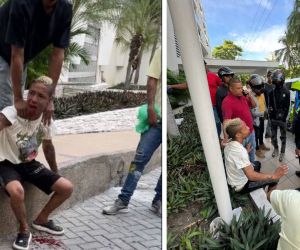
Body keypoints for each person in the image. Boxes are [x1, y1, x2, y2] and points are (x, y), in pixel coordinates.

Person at [0, 76, 73, 250]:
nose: (33, 99)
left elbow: (48, 147)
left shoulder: (46, 120)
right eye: (31, 93)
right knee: (16, 191)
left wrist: (55, 172)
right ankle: (24, 230)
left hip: (29, 163)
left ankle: (42, 220)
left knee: (66, 187)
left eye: (40, 96)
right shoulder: (12, 111)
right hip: (5, 162)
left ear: (49, 101)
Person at [103, 49, 162, 216]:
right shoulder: (162, 50)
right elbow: (152, 79)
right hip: (157, 118)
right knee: (139, 159)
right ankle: (123, 200)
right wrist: (150, 107)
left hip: (173, 121)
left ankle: (158, 200)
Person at [0, 0, 73, 124]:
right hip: (4, 52)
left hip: (20, 60)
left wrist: (49, 99)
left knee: (16, 111)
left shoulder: (64, 9)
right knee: (7, 111)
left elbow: (58, 55)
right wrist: (18, 99)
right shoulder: (22, 4)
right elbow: (16, 54)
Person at [224, 118, 288, 194]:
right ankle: (269, 198)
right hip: (241, 186)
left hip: (235, 178)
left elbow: (236, 157)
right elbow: (250, 175)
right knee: (275, 180)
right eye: (245, 127)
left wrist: (246, 151)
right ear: (238, 134)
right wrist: (274, 175)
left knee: (258, 163)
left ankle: (261, 184)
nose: (248, 128)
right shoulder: (240, 151)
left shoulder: (230, 142)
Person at [222, 76, 257, 163]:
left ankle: (252, 166)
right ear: (231, 88)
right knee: (243, 157)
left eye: (241, 87)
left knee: (252, 152)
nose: (241, 90)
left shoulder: (242, 96)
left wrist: (250, 97)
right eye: (238, 88)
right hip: (240, 135)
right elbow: (226, 121)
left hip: (251, 131)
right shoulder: (227, 102)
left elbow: (254, 105)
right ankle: (248, 173)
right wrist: (226, 140)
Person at [267, 69, 290, 162]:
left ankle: (282, 152)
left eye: (278, 80)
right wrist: (271, 114)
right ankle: (276, 149)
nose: (276, 82)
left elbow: (287, 107)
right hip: (273, 118)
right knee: (273, 136)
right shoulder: (271, 92)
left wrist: (284, 118)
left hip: (283, 119)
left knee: (283, 137)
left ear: (282, 79)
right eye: (275, 80)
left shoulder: (287, 92)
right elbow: (270, 106)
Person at [248, 74, 270, 159]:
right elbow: (253, 113)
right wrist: (263, 113)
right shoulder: (250, 96)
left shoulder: (262, 94)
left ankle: (261, 144)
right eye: (259, 87)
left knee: (261, 132)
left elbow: (264, 104)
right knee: (256, 135)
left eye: (261, 87)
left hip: (261, 118)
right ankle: (256, 149)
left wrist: (266, 110)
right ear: (253, 87)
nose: (261, 89)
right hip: (255, 120)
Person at [264, 70, 274, 138]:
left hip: (273, 105)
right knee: (267, 120)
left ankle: (268, 134)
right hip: (266, 105)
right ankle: (267, 133)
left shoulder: (274, 85)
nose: (271, 78)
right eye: (270, 76)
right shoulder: (264, 85)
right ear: (267, 77)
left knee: (271, 119)